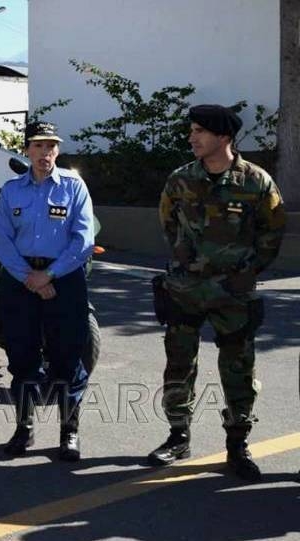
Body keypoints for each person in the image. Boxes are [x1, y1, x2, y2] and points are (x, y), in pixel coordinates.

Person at [149, 104, 285, 481]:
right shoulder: (180, 179)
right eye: (192, 130)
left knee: (238, 367)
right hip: (185, 289)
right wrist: (183, 259)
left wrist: (250, 271)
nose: (191, 137)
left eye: (199, 131)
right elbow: (168, 222)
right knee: (179, 363)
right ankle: (178, 436)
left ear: (223, 137)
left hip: (233, 292)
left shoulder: (256, 182)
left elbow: (273, 231)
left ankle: (238, 444)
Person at [0, 121, 94, 461]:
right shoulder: (12, 190)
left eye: (51, 146)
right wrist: (30, 277)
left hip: (64, 279)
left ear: (58, 150)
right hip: (21, 280)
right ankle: (24, 428)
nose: (45, 152)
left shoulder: (74, 186)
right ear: (26, 150)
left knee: (68, 355)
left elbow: (83, 240)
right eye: (37, 145)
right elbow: (3, 240)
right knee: (22, 356)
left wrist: (48, 275)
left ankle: (69, 431)